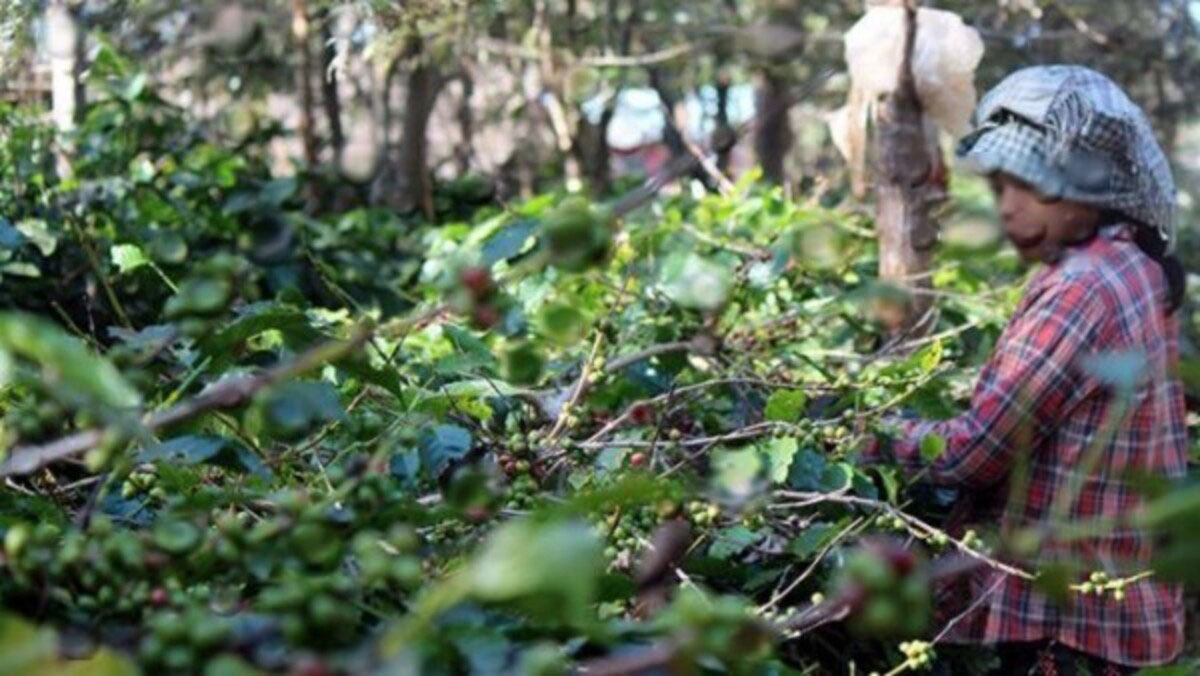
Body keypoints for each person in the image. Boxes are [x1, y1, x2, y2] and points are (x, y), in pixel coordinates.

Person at [858, 65, 1187, 675]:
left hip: (1068, 628)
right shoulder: (1133, 267)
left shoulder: (1080, 287)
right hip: (1117, 615)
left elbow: (976, 451)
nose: (1011, 208)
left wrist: (871, 436)